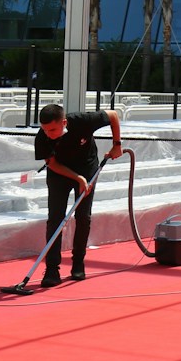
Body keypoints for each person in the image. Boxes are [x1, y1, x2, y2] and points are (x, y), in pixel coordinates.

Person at [33, 104, 122, 288]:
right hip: (60, 174)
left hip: (87, 167)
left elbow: (113, 115)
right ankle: (51, 269)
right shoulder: (42, 137)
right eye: (44, 129)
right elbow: (52, 164)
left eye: (53, 129)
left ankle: (78, 263)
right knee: (55, 219)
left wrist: (117, 145)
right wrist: (76, 178)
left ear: (64, 122)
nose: (48, 134)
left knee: (83, 216)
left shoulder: (83, 121)